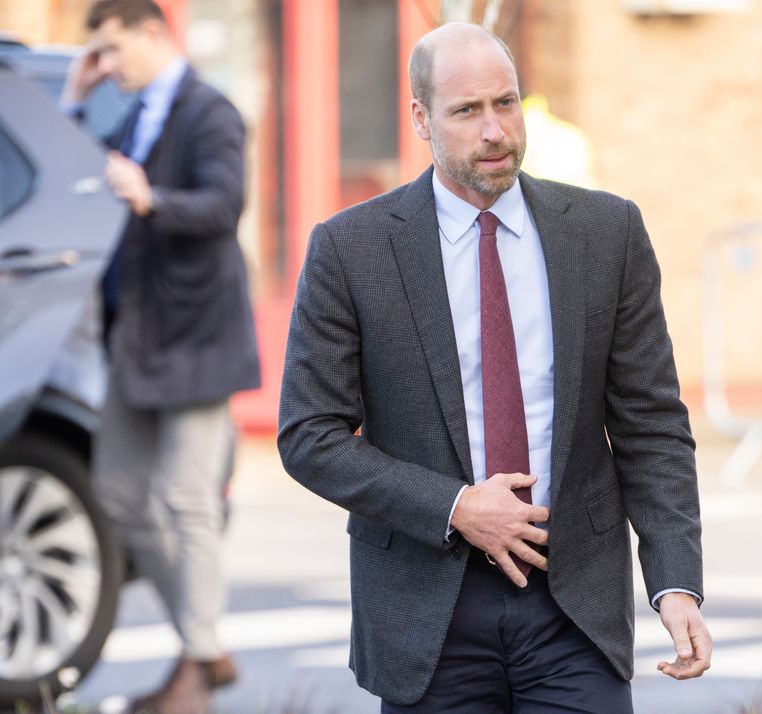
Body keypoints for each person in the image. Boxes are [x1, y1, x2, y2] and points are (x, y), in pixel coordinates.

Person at [278, 22, 710, 713]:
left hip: (574, 608)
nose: (494, 131)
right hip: (430, 608)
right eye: (466, 110)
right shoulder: (351, 250)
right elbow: (310, 437)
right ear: (421, 118)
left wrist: (675, 581)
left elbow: (652, 423)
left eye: (505, 103)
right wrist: (455, 507)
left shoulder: (606, 233)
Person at [62, 1, 260, 711]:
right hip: (137, 339)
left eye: (114, 51)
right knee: (117, 490)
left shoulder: (210, 111)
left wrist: (151, 199)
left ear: (153, 33)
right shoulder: (131, 111)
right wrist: (78, 98)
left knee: (186, 500)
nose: (109, 65)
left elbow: (225, 204)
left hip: (199, 336)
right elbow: (79, 176)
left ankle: (195, 671)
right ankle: (205, 644)